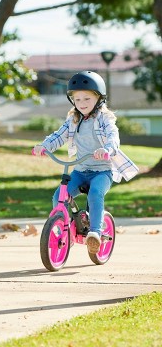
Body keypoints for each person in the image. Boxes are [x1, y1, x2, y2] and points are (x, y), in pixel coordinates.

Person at [32, 70, 138, 254]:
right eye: (77, 99)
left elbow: (113, 136)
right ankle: (66, 229)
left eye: (87, 99)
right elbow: (59, 135)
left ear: (99, 99)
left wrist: (107, 150)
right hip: (81, 170)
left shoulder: (104, 119)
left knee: (95, 193)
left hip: (102, 172)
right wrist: (44, 146)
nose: (82, 104)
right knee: (59, 197)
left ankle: (95, 234)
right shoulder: (73, 119)